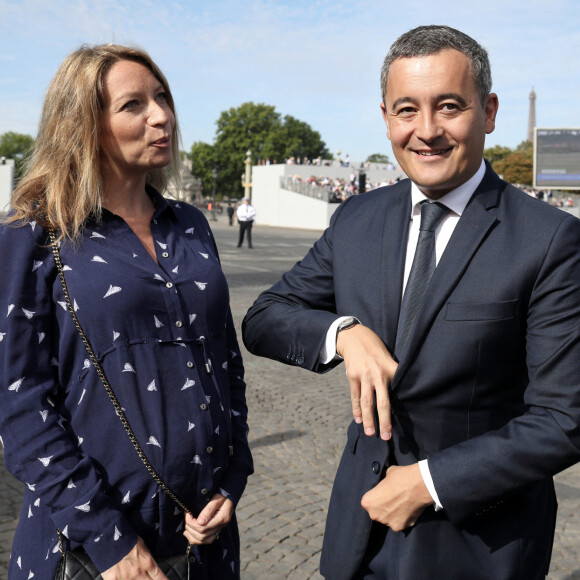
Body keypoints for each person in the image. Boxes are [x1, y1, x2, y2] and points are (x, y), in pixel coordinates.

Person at [242, 25, 580, 580]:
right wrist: (345, 333)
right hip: (358, 534)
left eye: (449, 106)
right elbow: (264, 317)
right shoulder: (357, 219)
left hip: (479, 546)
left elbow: (563, 419)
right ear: (385, 118)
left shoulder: (550, 241)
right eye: (407, 110)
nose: (426, 131)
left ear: (488, 111)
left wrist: (427, 483)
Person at [0, 44, 253, 579]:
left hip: (204, 542)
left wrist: (233, 478)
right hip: (88, 554)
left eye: (161, 97)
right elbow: (20, 405)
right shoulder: (34, 236)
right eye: (133, 104)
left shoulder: (189, 225)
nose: (161, 115)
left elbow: (225, 361)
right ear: (84, 125)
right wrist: (108, 540)